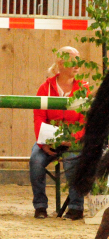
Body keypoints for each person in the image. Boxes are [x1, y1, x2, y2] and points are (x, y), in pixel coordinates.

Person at [31, 46, 88, 220]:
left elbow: (85, 120)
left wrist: (74, 139)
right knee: (36, 160)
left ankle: (76, 207)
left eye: (79, 60)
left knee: (73, 162)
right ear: (60, 63)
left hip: (73, 139)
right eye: (73, 60)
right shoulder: (45, 88)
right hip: (49, 140)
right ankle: (40, 206)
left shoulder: (83, 88)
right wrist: (43, 143)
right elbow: (38, 117)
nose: (77, 65)